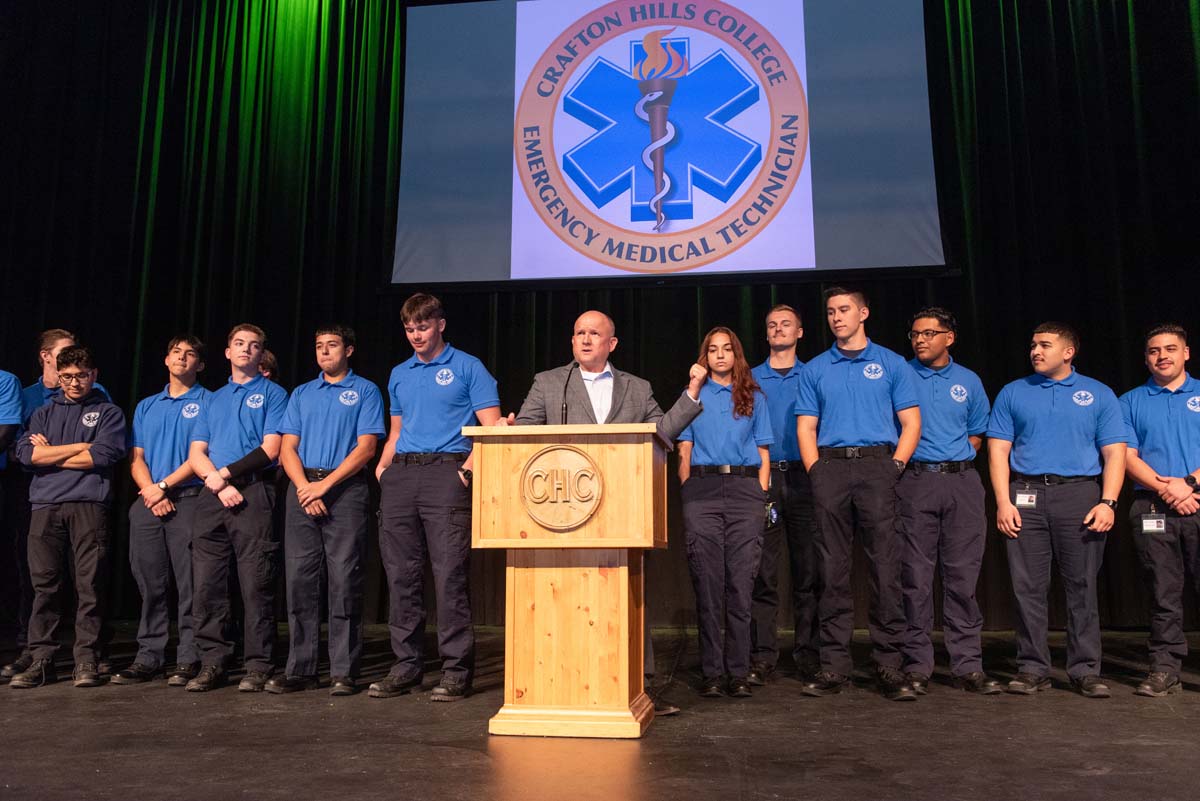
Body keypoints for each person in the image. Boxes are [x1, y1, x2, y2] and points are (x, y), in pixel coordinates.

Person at [504, 309, 706, 712]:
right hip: (561, 513)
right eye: (578, 332)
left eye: (594, 333)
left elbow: (661, 434)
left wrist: (692, 393)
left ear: (611, 344)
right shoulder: (549, 383)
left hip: (621, 510)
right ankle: (564, 685)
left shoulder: (636, 387)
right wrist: (511, 431)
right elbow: (524, 435)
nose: (584, 338)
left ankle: (637, 689)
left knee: (628, 595)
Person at [370, 294, 500, 701]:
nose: (416, 336)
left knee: (448, 577)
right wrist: (384, 467)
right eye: (409, 330)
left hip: (447, 472)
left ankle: (456, 670)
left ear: (440, 325)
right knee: (401, 576)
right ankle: (405, 667)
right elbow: (395, 430)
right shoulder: (399, 373)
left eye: (423, 328)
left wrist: (466, 471)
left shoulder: (467, 367)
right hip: (402, 476)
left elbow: (492, 429)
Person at [796, 287, 921, 701]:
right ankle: (834, 666)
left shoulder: (891, 363)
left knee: (885, 570)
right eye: (830, 311)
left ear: (863, 312)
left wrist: (894, 467)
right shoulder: (815, 368)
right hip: (830, 467)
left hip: (877, 467)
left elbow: (911, 423)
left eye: (844, 309)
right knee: (832, 571)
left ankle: (889, 665)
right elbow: (806, 427)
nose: (836, 317)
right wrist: (816, 471)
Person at [988, 322, 1126, 698]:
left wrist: (1108, 501)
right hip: (1026, 494)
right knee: (1027, 588)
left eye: (1045, 345)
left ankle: (1084, 670)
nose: (1035, 351)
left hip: (1080, 494)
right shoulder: (1013, 392)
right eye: (1032, 344)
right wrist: (1003, 500)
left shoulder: (1097, 393)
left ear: (1068, 352)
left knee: (1082, 586)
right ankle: (1032, 667)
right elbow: (998, 449)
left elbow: (1115, 452)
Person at [268, 325, 383, 696]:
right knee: (300, 579)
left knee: (344, 580)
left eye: (332, 345)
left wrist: (325, 485)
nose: (324, 352)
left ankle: (342, 670)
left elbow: (366, 448)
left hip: (344, 490)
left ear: (348, 350)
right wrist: (304, 487)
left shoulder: (364, 390)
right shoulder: (302, 393)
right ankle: (301, 669)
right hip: (303, 489)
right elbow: (287, 447)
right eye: (319, 346)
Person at [897, 308, 1000, 694]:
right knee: (916, 579)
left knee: (962, 577)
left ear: (949, 338)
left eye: (928, 333)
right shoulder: (900, 375)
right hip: (916, 481)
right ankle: (917, 665)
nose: (920, 340)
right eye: (915, 334)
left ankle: (967, 665)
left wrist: (951, 461)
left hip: (961, 483)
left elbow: (977, 434)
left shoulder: (968, 380)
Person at [11, 346, 126, 688]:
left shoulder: (108, 412)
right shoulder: (44, 413)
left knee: (88, 584)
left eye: (81, 375)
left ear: (94, 375)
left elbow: (104, 454)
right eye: (67, 377)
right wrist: (78, 446)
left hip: (89, 504)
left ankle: (86, 659)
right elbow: (25, 454)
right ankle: (42, 658)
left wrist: (50, 455)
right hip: (45, 506)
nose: (74, 383)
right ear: (58, 377)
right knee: (44, 585)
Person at [185, 324, 288, 692]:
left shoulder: (274, 394)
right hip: (212, 498)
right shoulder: (212, 398)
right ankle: (213, 662)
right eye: (239, 344)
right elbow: (197, 452)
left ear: (261, 355)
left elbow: (271, 449)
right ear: (227, 352)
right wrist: (215, 480)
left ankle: (258, 664)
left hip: (253, 493)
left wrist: (224, 476)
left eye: (254, 345)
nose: (246, 349)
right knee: (208, 585)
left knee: (256, 583)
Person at [677, 327, 771, 698]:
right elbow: (683, 449)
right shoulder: (694, 396)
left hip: (744, 489)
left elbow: (764, 450)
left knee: (740, 585)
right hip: (702, 491)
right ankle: (713, 673)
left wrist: (761, 490)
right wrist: (686, 486)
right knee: (709, 585)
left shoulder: (753, 396)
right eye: (712, 349)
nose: (719, 355)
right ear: (704, 356)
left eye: (726, 349)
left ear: (736, 354)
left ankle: (739, 671)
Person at [115, 336, 211, 687]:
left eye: (190, 354)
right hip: (149, 499)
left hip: (189, 498)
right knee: (150, 583)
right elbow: (136, 457)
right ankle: (148, 656)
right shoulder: (147, 405)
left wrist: (164, 487)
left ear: (199, 365)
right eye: (175, 352)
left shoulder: (209, 402)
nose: (181, 358)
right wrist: (151, 492)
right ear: (165, 359)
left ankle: (189, 655)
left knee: (190, 584)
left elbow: (200, 456)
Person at [1118, 323, 1200, 697]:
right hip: (1152, 504)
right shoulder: (1130, 401)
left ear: (1186, 353)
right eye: (1154, 350)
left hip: (1197, 498)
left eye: (1170, 349)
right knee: (1163, 593)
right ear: (1146, 358)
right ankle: (1165, 668)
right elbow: (1125, 456)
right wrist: (1168, 488)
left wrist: (1191, 484)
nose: (1162, 356)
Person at [747, 304, 822, 685]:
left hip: (806, 479)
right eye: (772, 324)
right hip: (765, 479)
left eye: (786, 324)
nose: (778, 329)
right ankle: (762, 654)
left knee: (809, 571)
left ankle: (808, 652)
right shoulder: (750, 378)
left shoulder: (815, 375)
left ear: (800, 332)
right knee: (764, 572)